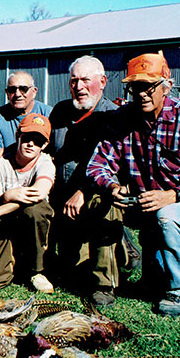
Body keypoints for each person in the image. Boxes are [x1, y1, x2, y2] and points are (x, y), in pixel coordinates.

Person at [86, 52, 180, 315]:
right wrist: (112, 186)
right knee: (101, 200)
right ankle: (106, 284)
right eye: (135, 87)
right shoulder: (122, 119)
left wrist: (172, 195)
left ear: (166, 86)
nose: (142, 94)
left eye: (149, 87)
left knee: (168, 216)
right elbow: (96, 165)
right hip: (141, 201)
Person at [47, 56, 127, 302]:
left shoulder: (115, 116)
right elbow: (46, 151)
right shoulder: (60, 111)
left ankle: (105, 283)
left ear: (102, 82)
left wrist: (82, 191)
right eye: (74, 81)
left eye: (85, 80)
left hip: (94, 193)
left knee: (109, 207)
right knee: (69, 269)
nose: (79, 87)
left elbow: (116, 167)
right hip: (60, 193)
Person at [0, 113, 56, 292]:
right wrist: (8, 196)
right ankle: (17, 262)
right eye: (27, 137)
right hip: (7, 224)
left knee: (35, 210)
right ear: (17, 136)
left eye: (38, 141)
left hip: (32, 221)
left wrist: (0, 209)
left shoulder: (45, 162)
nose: (31, 144)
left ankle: (37, 270)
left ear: (44, 145)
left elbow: (37, 194)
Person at [0, 71, 52, 156]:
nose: (17, 94)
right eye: (12, 90)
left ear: (34, 92)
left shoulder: (49, 114)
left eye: (23, 89)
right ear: (7, 93)